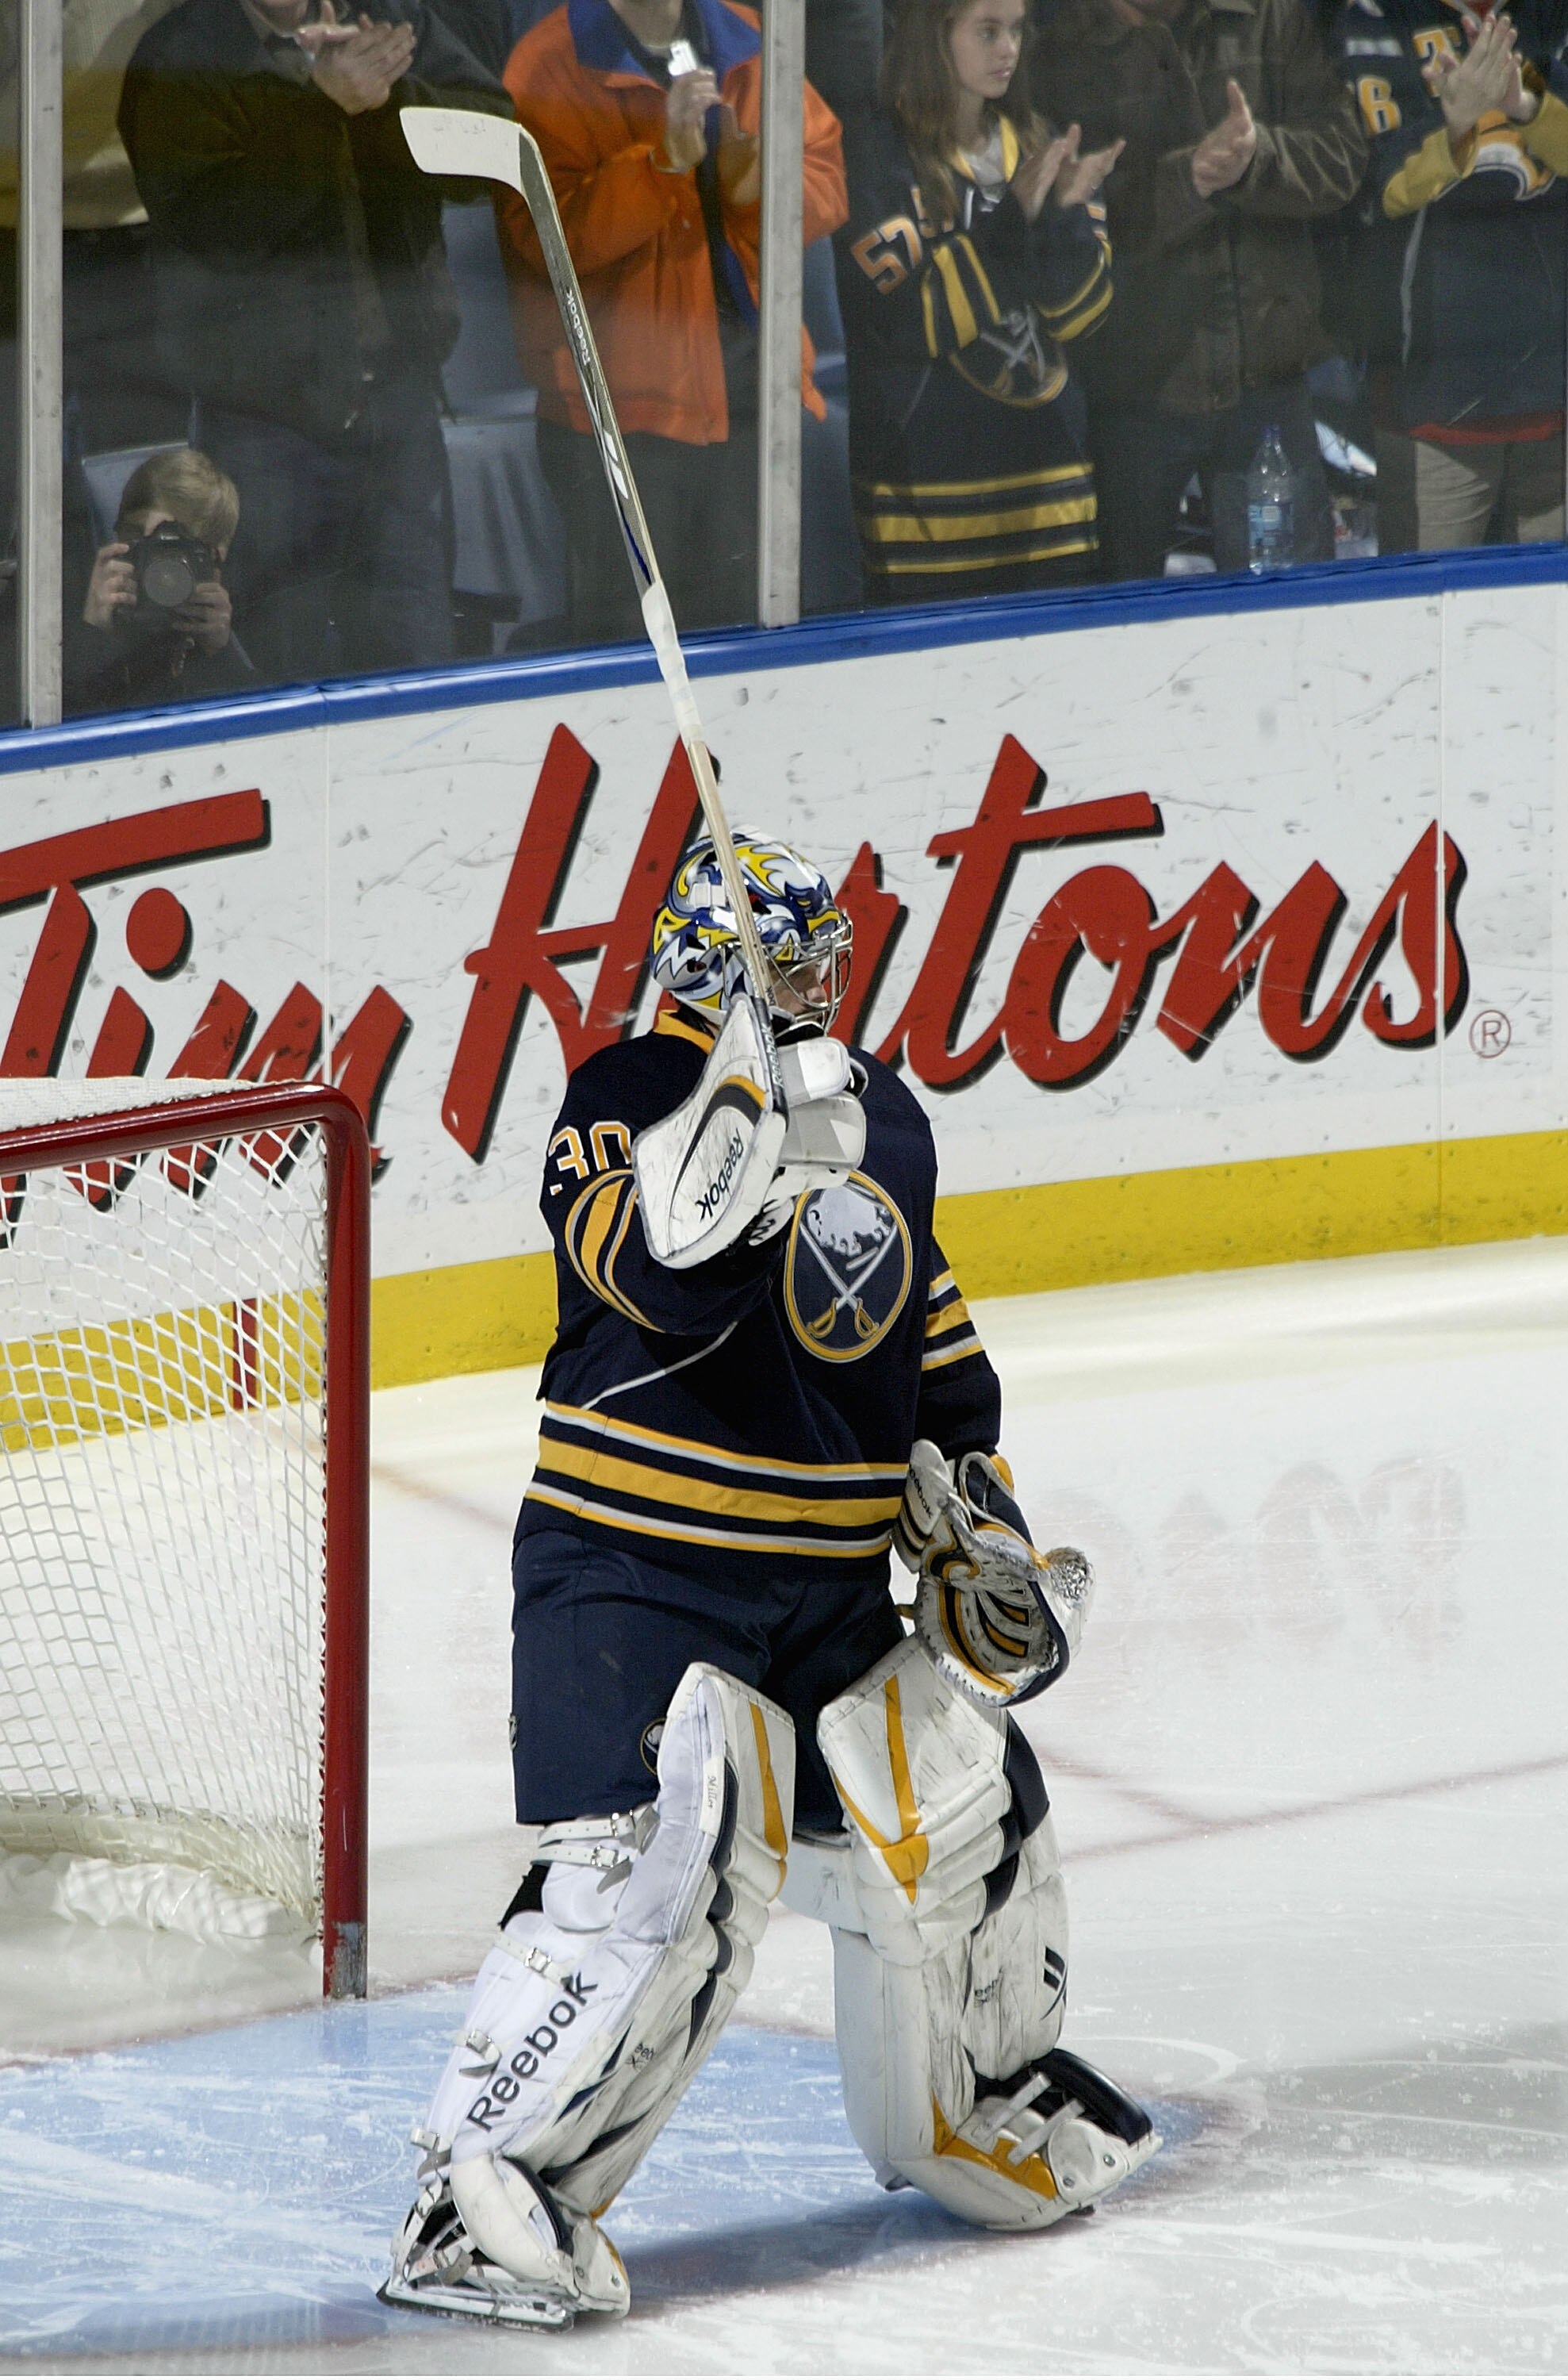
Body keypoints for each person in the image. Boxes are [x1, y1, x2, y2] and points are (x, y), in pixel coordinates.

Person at [381, 831, 1159, 2329]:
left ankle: (973, 2100)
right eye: (786, 957)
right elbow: (643, 1266)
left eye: (826, 954)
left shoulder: (889, 1119)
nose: (819, 979)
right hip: (638, 1570)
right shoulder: (623, 1093)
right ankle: (480, 2198)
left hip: (827, 1594)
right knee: (662, 1861)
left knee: (960, 1790)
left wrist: (979, 1526)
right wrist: (742, 1144)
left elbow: (932, 1357)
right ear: (709, 963)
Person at [118, 0, 512, 689]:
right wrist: (320, 107)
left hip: (398, 408)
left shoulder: (390, 18)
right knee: (275, 664)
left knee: (415, 658)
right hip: (261, 420)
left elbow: (497, 147)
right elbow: (215, 230)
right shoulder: (177, 54)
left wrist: (388, 101)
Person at [496, 0, 847, 643]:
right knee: (634, 658)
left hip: (752, 400)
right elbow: (543, 241)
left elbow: (825, 174)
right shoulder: (545, 64)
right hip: (619, 421)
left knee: (751, 654)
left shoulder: (747, 36)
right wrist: (659, 166)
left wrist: (752, 191)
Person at [1033, 0, 1367, 580]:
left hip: (1267, 386)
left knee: (1291, 616)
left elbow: (1343, 156)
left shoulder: (1271, 15)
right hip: (1129, 399)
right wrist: (1186, 180)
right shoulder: (1061, 46)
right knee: (1116, 621)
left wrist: (1256, 158)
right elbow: (1057, 226)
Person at [835, 0, 1121, 604]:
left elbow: (1085, 318)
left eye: (1015, 30)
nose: (1008, 49)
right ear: (933, 36)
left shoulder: (1042, 144)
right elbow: (909, 322)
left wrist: (1061, 221)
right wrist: (1015, 221)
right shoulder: (876, 155)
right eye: (987, 32)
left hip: (1052, 507)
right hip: (926, 516)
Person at [1336, 0, 1568, 551]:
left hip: (1555, 398)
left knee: (1548, 607)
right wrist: (1455, 125)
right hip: (1433, 402)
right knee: (1424, 605)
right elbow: (1379, 190)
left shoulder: (1552, 15)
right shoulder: (1375, 17)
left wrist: (1524, 103)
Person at [64, 445, 257, 714]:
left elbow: (261, 727)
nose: (159, 572)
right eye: (135, 537)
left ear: (214, 560)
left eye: (174, 548)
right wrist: (93, 634)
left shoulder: (249, 626)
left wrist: (219, 653)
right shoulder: (66, 623)